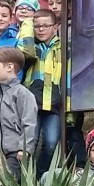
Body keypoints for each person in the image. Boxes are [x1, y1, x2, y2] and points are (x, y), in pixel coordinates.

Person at [0, 47, 38, 180]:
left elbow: (29, 123)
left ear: (9, 67)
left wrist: (25, 149)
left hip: (16, 153)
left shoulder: (22, 94)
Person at [21, 9, 64, 175]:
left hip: (53, 103)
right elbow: (24, 51)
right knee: (28, 144)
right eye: (37, 26)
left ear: (55, 27)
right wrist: (27, 23)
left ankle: (41, 176)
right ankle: (27, 178)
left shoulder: (63, 47)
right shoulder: (30, 47)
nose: (41, 29)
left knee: (51, 143)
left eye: (46, 26)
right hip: (31, 103)